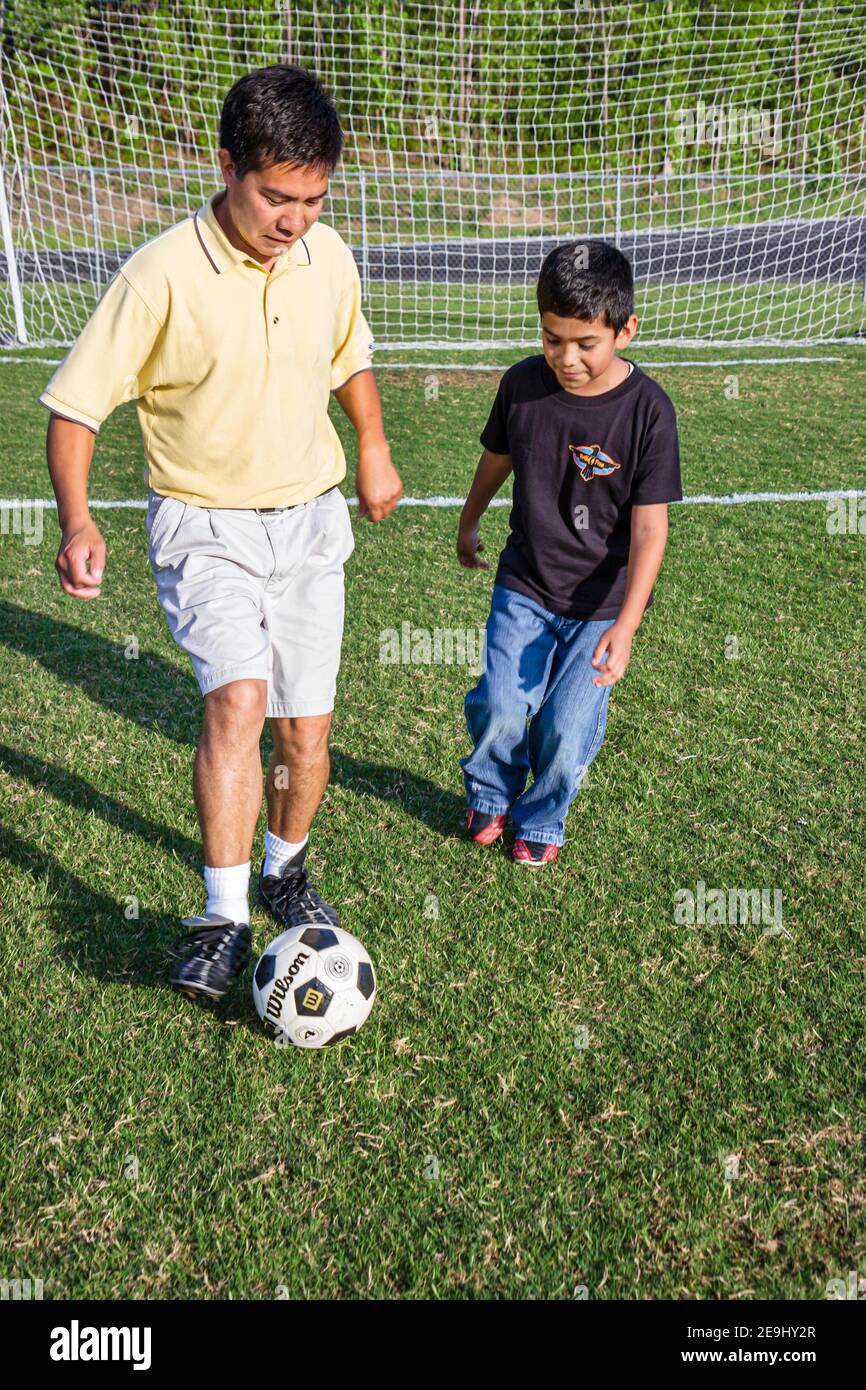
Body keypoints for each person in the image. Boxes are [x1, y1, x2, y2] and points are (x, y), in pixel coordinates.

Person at [40, 64, 403, 997]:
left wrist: (372, 443)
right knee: (239, 705)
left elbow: (347, 356)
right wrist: (78, 519)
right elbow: (75, 410)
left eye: (314, 199)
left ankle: (286, 868)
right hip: (205, 528)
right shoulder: (159, 272)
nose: (296, 220)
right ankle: (223, 914)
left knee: (307, 734)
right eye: (277, 197)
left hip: (312, 522)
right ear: (229, 166)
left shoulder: (329, 255)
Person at [456, 239, 681, 865]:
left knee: (566, 725)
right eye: (553, 339)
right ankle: (491, 794)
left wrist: (628, 625)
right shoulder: (522, 385)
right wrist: (470, 520)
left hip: (603, 601)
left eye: (586, 343)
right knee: (502, 705)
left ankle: (542, 818)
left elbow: (649, 529)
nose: (566, 357)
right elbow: (497, 456)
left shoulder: (648, 412)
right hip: (525, 581)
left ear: (625, 331)